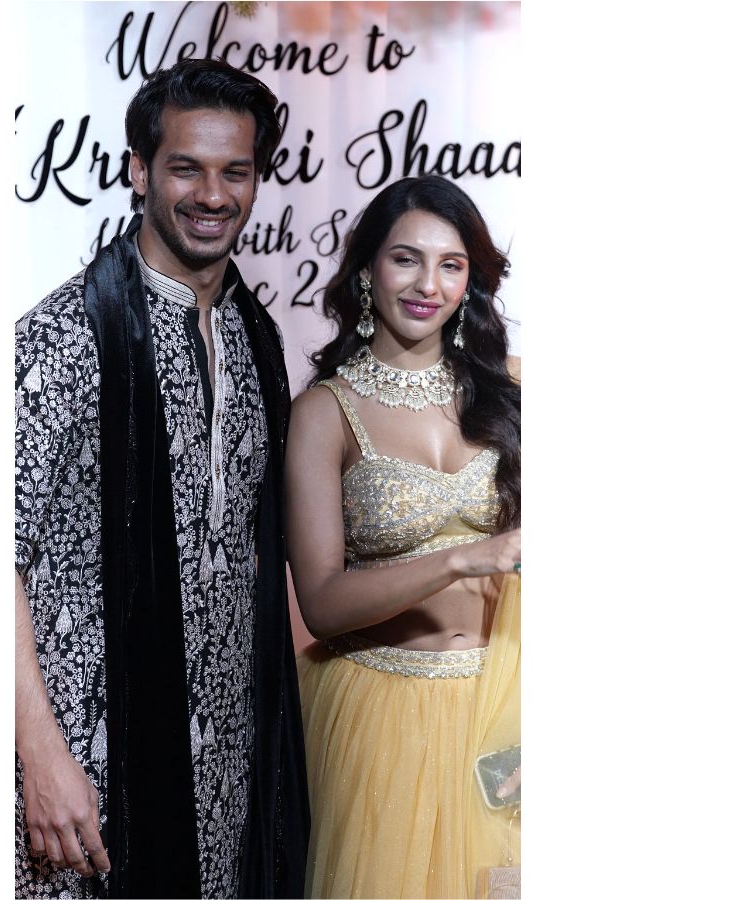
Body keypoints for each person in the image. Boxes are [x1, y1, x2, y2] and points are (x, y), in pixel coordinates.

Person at [15, 59, 308, 899]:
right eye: (186, 168)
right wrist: (40, 757)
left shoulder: (256, 339)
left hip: (220, 779)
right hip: (84, 772)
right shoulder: (65, 336)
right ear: (140, 171)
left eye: (235, 172)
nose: (212, 195)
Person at [285, 175, 521, 898]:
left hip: (503, 704)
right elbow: (322, 603)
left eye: (451, 265)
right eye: (406, 259)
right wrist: (462, 558)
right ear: (367, 271)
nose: (428, 285)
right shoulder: (325, 412)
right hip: (383, 713)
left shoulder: (512, 392)